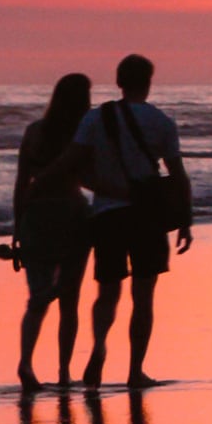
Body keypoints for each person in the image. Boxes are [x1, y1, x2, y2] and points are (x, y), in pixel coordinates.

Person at [74, 53, 192, 385]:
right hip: (148, 215)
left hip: (108, 213)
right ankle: (134, 370)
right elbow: (179, 175)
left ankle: (98, 348)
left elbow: (79, 167)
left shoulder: (95, 119)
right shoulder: (162, 122)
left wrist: (102, 185)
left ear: (119, 82)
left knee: (107, 292)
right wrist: (185, 221)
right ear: (149, 82)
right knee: (143, 295)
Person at [7, 70, 97, 391]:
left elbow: (21, 184)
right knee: (69, 301)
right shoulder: (80, 136)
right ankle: (63, 371)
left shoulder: (34, 132)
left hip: (36, 217)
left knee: (37, 299)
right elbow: (88, 179)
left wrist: (17, 228)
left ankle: (26, 363)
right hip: (71, 216)